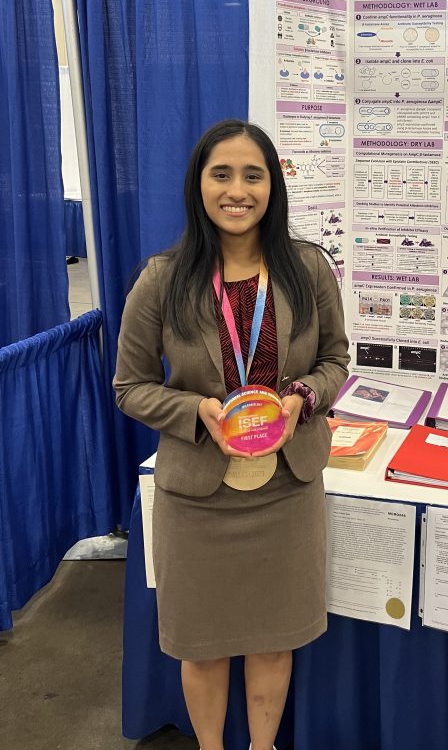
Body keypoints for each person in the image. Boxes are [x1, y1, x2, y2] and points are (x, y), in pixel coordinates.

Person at [114, 119, 349, 750]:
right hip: (198, 495)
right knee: (205, 646)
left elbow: (335, 361)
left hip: (286, 487)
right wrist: (197, 412)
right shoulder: (162, 279)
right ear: (199, 185)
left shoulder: (307, 268)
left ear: (273, 186)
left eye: (254, 175)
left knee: (276, 639)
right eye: (222, 174)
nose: (237, 189)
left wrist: (302, 399)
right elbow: (129, 386)